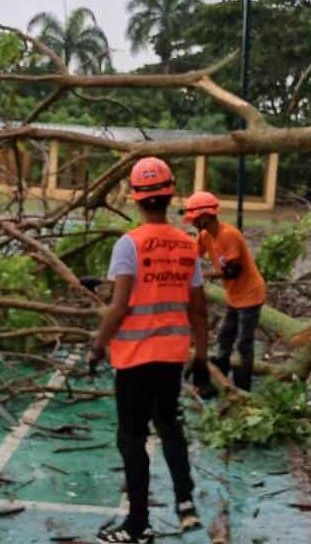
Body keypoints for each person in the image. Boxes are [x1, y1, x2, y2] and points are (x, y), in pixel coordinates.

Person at [87, 157, 210, 544]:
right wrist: (202, 357)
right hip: (171, 358)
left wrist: (96, 345)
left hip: (135, 359)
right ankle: (185, 501)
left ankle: (138, 525)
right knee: (170, 426)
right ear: (171, 194)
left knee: (132, 440)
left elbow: (120, 306)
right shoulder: (187, 245)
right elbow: (199, 309)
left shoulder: (129, 245)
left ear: (136, 198)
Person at [183, 191, 266, 391]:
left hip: (250, 294)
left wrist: (205, 276)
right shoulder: (204, 236)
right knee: (225, 337)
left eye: (195, 219)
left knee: (244, 343)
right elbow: (191, 256)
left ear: (206, 216)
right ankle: (219, 374)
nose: (193, 223)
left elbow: (232, 271)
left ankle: (243, 386)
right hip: (234, 296)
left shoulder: (228, 234)